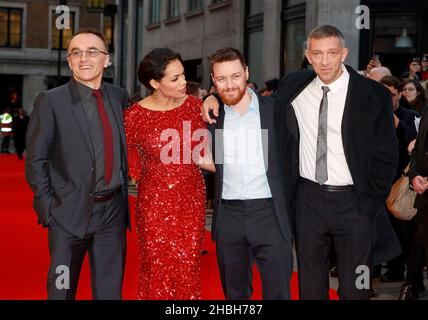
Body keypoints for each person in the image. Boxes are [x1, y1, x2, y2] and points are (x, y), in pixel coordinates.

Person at [203, 25, 400, 300]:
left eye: (332, 53)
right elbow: (236, 98)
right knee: (310, 288)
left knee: (355, 290)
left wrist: (367, 205)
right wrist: (210, 97)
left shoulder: (373, 95)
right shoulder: (294, 87)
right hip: (308, 203)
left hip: (353, 204)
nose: (325, 60)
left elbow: (387, 157)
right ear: (308, 55)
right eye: (317, 53)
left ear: (344, 53)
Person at [25, 28, 130, 300]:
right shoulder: (51, 101)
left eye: (92, 51)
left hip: (113, 215)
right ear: (70, 61)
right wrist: (48, 209)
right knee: (61, 291)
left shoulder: (119, 96)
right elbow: (36, 159)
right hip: (68, 215)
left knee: (110, 293)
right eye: (76, 53)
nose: (84, 58)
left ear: (106, 60)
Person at [124, 48, 214, 300]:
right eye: (175, 79)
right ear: (155, 83)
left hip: (191, 200)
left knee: (188, 267)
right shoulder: (134, 117)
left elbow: (204, 153)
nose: (184, 82)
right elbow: (130, 164)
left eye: (183, 75)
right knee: (156, 269)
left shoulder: (197, 108)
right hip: (153, 205)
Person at [205, 48, 293, 300]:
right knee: (235, 296)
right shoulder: (213, 117)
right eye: (221, 79)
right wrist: (206, 100)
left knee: (278, 293)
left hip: (271, 214)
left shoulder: (276, 111)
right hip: (228, 217)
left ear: (246, 73)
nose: (229, 85)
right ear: (213, 80)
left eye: (235, 76)